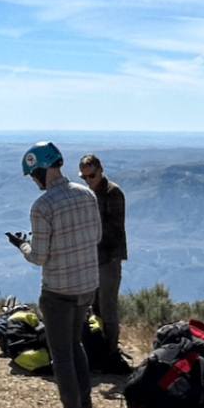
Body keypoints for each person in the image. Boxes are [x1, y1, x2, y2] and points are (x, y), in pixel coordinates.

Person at [9, 141, 103, 408]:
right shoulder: (86, 193)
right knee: (76, 347)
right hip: (87, 285)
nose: (34, 180)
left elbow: (39, 256)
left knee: (62, 356)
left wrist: (22, 245)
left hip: (58, 291)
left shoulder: (43, 206)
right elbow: (97, 236)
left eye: (33, 174)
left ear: (39, 169)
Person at [78, 154, 128, 362]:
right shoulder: (88, 194)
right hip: (92, 257)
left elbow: (115, 227)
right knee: (93, 304)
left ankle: (111, 351)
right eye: (84, 177)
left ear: (100, 171)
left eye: (91, 176)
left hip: (109, 258)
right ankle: (96, 348)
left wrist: (89, 231)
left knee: (107, 306)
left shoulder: (112, 192)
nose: (88, 180)